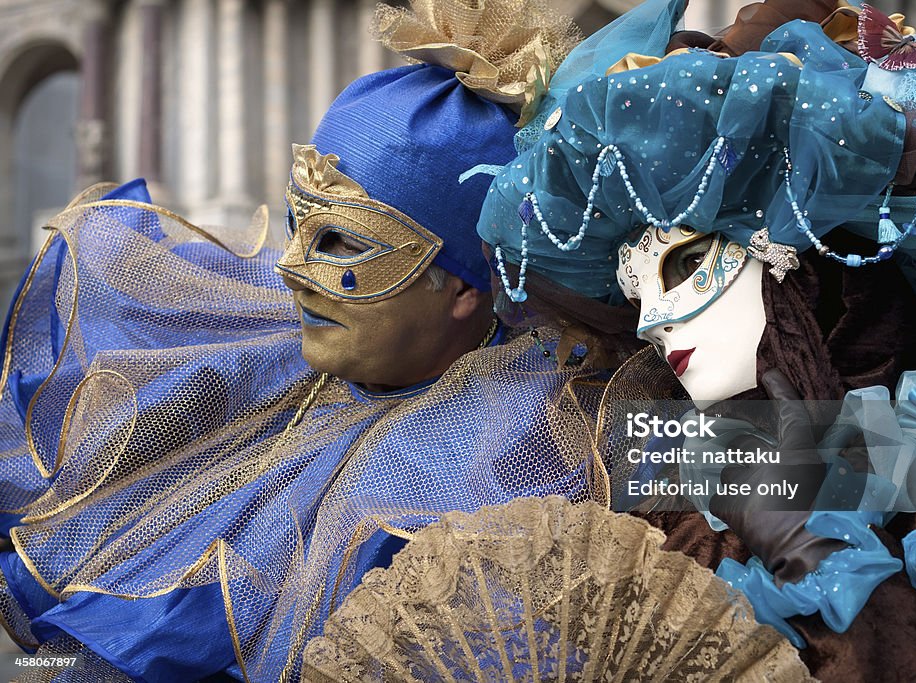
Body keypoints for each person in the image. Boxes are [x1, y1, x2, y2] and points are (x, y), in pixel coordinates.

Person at [0, 0, 602, 680]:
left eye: (342, 241)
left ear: (464, 286)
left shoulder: (535, 459)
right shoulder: (240, 385)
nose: (291, 268)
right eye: (298, 224)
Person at [475, 0, 916, 679]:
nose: (650, 319)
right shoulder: (674, 499)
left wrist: (820, 554)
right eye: (633, 288)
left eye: (682, 265)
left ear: (793, 273)